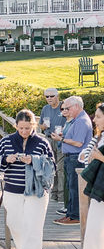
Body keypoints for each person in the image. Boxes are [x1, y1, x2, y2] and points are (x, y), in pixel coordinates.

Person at [0, 109, 55, 249]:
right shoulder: (6, 141)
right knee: (15, 224)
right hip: (13, 190)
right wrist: (7, 160)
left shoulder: (42, 142)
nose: (24, 132)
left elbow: (52, 166)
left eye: (27, 128)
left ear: (33, 125)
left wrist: (33, 160)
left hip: (37, 191)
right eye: (21, 128)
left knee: (33, 227)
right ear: (16, 126)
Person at [52, 96, 93, 225]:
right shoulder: (77, 120)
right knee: (70, 187)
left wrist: (61, 140)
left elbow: (78, 142)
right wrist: (63, 136)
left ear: (76, 106)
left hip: (76, 158)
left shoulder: (81, 121)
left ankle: (75, 216)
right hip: (72, 157)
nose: (66, 111)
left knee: (74, 188)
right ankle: (70, 214)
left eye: (68, 108)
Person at [80, 103, 104, 249]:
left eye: (98, 116)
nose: (94, 119)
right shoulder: (100, 136)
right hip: (99, 188)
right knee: (95, 229)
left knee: (95, 229)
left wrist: (99, 157)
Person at [40, 88, 66, 202]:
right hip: (49, 140)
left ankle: (61, 196)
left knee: (61, 169)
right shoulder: (45, 109)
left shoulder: (64, 107)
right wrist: (44, 126)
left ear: (57, 96)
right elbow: (40, 125)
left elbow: (71, 121)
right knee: (52, 168)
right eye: (47, 96)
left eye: (51, 96)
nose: (49, 98)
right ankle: (54, 193)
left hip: (61, 140)